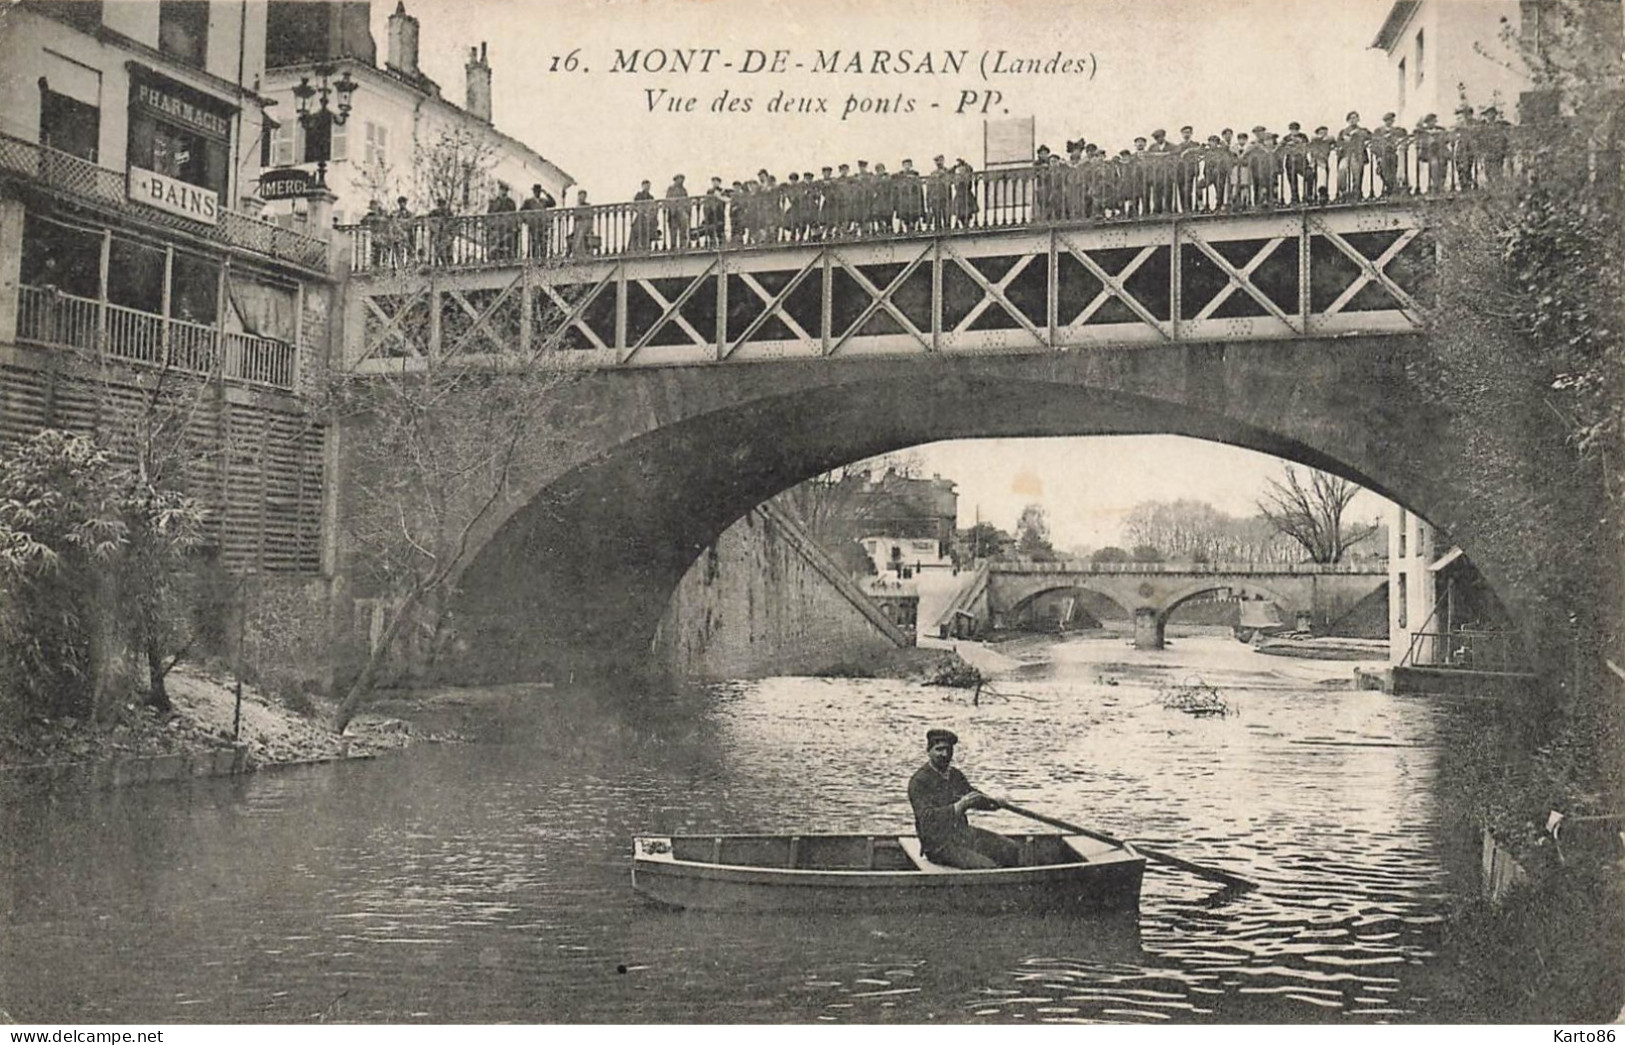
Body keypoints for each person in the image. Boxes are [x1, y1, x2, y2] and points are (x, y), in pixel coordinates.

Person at [907, 728, 1021, 869]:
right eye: (939, 749)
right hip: (937, 845)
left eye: (949, 750)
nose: (945, 754)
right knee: (987, 867)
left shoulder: (955, 775)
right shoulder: (919, 782)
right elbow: (926, 818)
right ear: (928, 751)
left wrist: (995, 803)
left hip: (962, 835)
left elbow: (973, 796)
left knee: (1011, 849)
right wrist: (958, 807)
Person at [519, 183, 556, 259]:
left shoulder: (544, 201)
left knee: (543, 243)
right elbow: (521, 211)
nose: (537, 193)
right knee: (534, 243)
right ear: (533, 192)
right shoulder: (529, 201)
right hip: (533, 225)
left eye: (539, 191)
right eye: (536, 191)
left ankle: (543, 259)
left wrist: (547, 194)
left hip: (543, 225)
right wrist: (527, 220)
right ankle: (534, 259)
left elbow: (553, 203)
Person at [486, 181, 518, 260]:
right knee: (495, 250)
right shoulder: (493, 202)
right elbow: (489, 216)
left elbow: (513, 216)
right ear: (499, 190)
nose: (504, 192)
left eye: (505, 191)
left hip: (507, 230)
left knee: (508, 249)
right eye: (502, 190)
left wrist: (513, 226)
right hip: (497, 230)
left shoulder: (511, 203)